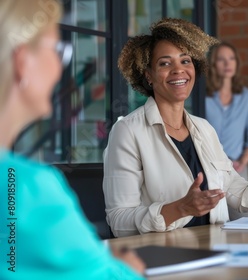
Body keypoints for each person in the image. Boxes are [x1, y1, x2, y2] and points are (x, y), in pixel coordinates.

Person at [104, 18, 248, 237]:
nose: (178, 70)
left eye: (185, 61)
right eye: (165, 63)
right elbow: (119, 222)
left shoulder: (204, 129)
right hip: (163, 259)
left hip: (212, 253)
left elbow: (240, 196)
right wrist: (180, 208)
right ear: (148, 75)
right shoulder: (128, 131)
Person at [0, 0, 145, 279]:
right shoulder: (25, 188)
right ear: (23, 62)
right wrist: (127, 269)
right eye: (57, 50)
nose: (60, 65)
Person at [205, 42, 248, 181]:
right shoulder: (203, 98)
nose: (227, 63)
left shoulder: (247, 97)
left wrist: (242, 163)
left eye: (231, 58)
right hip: (207, 167)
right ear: (213, 64)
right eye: (221, 59)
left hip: (237, 169)